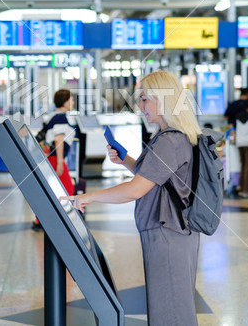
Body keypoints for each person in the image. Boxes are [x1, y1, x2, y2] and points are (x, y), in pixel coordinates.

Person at [60, 71, 202, 326]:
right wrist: (125, 160)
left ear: (164, 100)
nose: (141, 106)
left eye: (146, 99)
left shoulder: (170, 140)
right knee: (171, 306)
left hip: (168, 234)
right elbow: (156, 178)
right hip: (171, 233)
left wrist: (88, 197)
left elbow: (136, 189)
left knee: (170, 312)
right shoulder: (170, 135)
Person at [32, 89, 76, 231]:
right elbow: (59, 140)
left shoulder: (52, 116)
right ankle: (65, 219)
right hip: (55, 158)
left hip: (50, 157)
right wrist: (60, 162)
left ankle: (40, 220)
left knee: (50, 189)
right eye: (71, 100)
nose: (73, 102)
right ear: (64, 101)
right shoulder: (61, 118)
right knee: (67, 188)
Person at [236, 97, 248, 198]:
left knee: (243, 165)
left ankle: (242, 188)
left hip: (240, 143)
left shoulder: (238, 117)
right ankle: (246, 190)